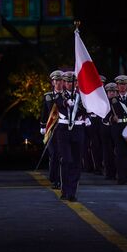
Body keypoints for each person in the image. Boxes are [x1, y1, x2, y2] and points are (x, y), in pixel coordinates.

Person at [55, 72, 89, 201]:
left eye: (72, 82)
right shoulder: (60, 95)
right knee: (66, 160)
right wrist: (66, 102)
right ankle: (65, 189)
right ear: (64, 83)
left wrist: (84, 112)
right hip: (63, 130)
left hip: (78, 128)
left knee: (76, 161)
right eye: (67, 82)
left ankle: (72, 192)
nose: (70, 84)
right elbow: (58, 102)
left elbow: (86, 108)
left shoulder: (82, 96)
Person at [40, 70, 64, 189]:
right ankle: (54, 177)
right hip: (51, 130)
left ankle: (58, 179)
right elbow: (44, 112)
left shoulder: (67, 96)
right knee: (54, 153)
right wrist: (43, 126)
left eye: (60, 80)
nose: (58, 83)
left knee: (60, 154)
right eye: (56, 81)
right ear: (52, 82)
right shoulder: (48, 96)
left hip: (63, 129)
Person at [102, 82, 118, 180]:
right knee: (107, 152)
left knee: (117, 152)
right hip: (106, 129)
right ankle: (108, 173)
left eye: (113, 91)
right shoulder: (104, 103)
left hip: (117, 129)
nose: (112, 93)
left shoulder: (119, 102)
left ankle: (116, 171)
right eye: (110, 91)